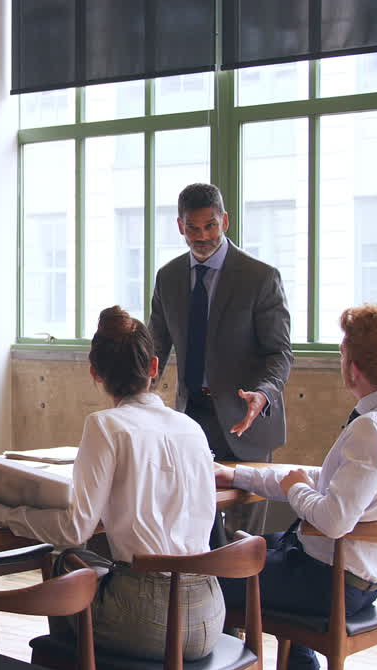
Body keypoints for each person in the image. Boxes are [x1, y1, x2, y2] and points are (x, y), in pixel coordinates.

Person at [0, 306, 223, 661]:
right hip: (208, 613)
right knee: (88, 562)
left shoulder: (105, 425)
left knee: (66, 565)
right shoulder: (190, 427)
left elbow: (74, 529)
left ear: (94, 372)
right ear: (154, 367)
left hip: (152, 621)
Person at [212, 304, 377, 670]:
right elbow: (324, 479)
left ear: (353, 368)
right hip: (361, 578)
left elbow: (333, 519)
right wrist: (238, 475)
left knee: (211, 581)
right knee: (251, 549)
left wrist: (294, 488)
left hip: (331, 585)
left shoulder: (371, 429)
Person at [148, 182, 293, 538]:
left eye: (210, 226)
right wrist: (136, 397)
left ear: (225, 221)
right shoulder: (167, 278)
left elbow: (279, 352)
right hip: (191, 420)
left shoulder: (260, 277)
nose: (202, 236)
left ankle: (243, 596)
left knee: (245, 538)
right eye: (193, 228)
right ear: (180, 226)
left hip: (247, 419)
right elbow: (154, 348)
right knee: (198, 527)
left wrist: (264, 393)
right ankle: (210, 594)